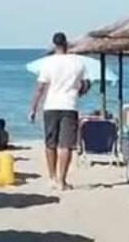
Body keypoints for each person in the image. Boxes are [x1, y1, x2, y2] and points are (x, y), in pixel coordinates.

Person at [29, 32, 90, 190]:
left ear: (54, 45)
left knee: (50, 143)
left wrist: (33, 108)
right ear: (67, 44)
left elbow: (40, 88)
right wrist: (79, 91)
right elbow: (85, 84)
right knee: (65, 145)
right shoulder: (78, 62)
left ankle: (52, 177)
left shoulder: (48, 63)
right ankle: (62, 181)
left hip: (51, 105)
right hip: (69, 105)